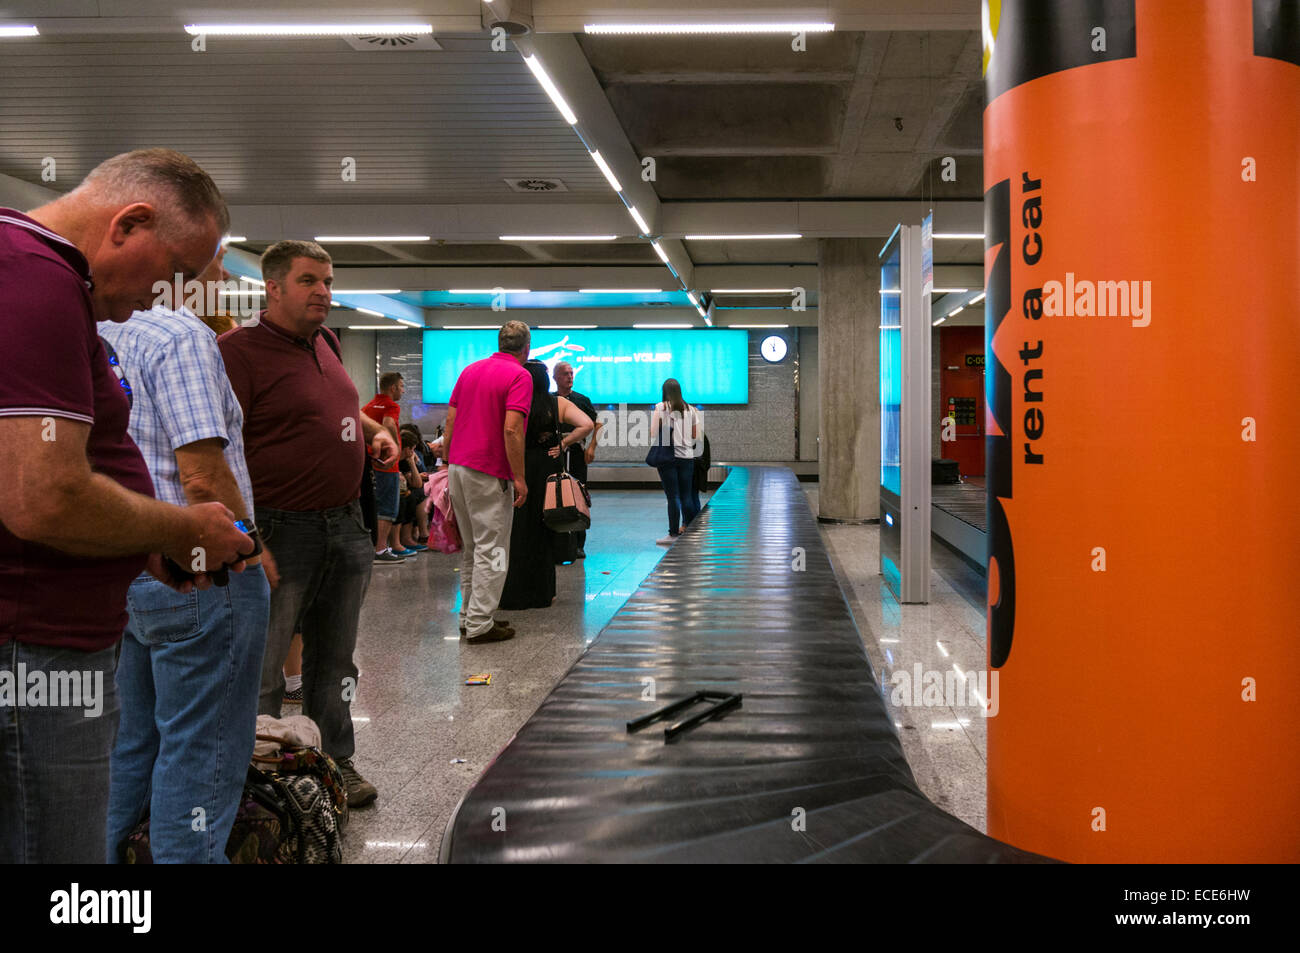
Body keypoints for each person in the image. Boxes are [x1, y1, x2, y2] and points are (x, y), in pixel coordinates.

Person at [0, 148, 253, 863]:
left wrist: (137, 542)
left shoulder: (52, 283)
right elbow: (42, 497)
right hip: (34, 648)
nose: (162, 295)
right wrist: (180, 527)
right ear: (129, 223)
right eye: (171, 271)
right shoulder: (34, 277)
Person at [98, 245, 271, 863]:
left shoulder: (99, 330)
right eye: (219, 266)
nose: (224, 282)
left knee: (131, 742)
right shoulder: (181, 336)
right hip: (199, 571)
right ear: (190, 267)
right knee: (203, 748)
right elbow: (200, 475)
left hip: (127, 564)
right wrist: (249, 549)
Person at [218, 239, 397, 808]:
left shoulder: (326, 342)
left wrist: (377, 434)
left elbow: (341, 410)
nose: (323, 291)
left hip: (345, 523)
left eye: (328, 280)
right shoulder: (237, 352)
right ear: (272, 288)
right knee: (265, 663)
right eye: (308, 281)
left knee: (336, 657)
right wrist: (245, 533)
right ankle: (266, 775)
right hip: (277, 528)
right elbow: (217, 448)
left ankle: (333, 762)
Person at [443, 322, 532, 643]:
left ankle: (469, 616)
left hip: (459, 467)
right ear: (527, 348)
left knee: (472, 549)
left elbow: (450, 420)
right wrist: (519, 477)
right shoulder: (520, 376)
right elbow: (512, 430)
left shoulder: (469, 371)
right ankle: (481, 623)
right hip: (488, 471)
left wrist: (447, 463)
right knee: (492, 549)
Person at [500, 361, 593, 610]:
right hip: (547, 469)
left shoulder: (515, 405)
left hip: (517, 468)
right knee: (544, 530)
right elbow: (588, 424)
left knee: (517, 531)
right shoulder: (557, 404)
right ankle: (544, 593)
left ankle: (511, 592)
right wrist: (564, 443)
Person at [552, 361, 601, 560]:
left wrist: (591, 447)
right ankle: (558, 540)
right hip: (556, 451)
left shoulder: (582, 400)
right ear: (555, 377)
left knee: (579, 493)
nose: (570, 377)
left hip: (577, 451)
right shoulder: (550, 399)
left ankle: (579, 543)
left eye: (572, 373)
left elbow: (597, 424)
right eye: (565, 374)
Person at [650, 378, 704, 546]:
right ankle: (691, 531)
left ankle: (673, 534)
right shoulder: (691, 410)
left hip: (668, 458)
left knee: (673, 497)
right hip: (687, 458)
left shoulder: (661, 407)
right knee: (686, 495)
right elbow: (695, 435)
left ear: (664, 391)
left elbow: (653, 433)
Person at [363, 372, 407, 564]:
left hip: (370, 462)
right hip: (387, 464)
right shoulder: (391, 405)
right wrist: (395, 449)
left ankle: (376, 546)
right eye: (402, 386)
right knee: (388, 507)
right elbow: (389, 423)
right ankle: (381, 549)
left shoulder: (367, 407)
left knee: (375, 505)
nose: (403, 391)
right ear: (393, 388)